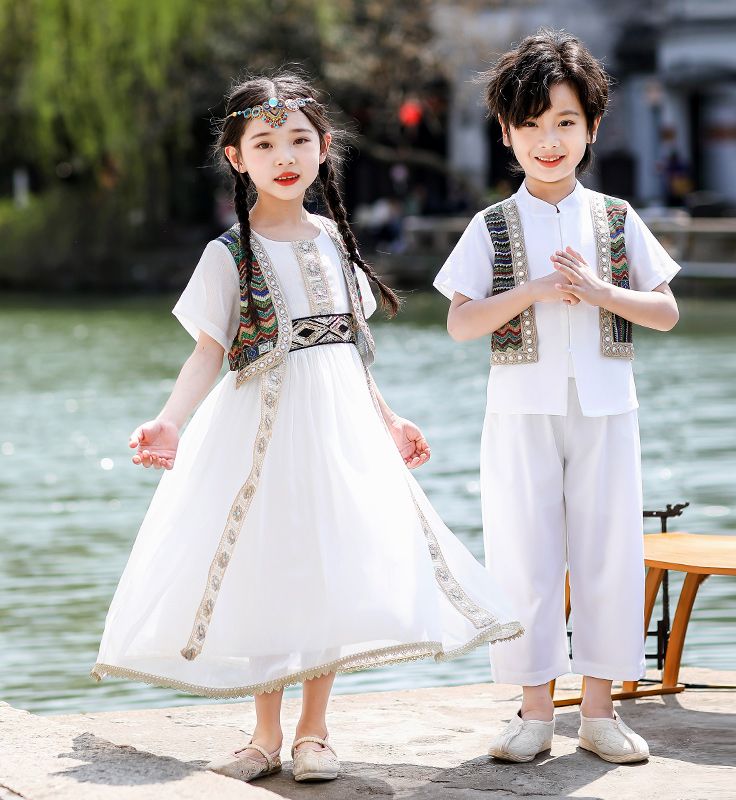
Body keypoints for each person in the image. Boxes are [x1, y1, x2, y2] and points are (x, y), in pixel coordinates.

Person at [90, 72, 523, 784]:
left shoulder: (331, 240)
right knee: (271, 567)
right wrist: (168, 421)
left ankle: (315, 733)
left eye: (299, 140)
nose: (284, 155)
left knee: (330, 563)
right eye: (265, 143)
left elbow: (348, 348)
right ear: (237, 158)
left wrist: (389, 420)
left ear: (324, 148)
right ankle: (263, 735)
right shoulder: (228, 254)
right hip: (261, 432)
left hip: (338, 432)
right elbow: (208, 352)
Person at [434, 28, 681, 765]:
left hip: (608, 408)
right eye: (532, 125)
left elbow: (665, 310)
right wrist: (538, 289)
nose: (550, 141)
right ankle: (534, 711)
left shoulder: (615, 217)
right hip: (519, 413)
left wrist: (604, 291)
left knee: (611, 554)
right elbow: (459, 322)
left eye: (565, 123)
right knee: (523, 558)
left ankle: (600, 713)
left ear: (592, 128)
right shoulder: (492, 225)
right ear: (507, 134)